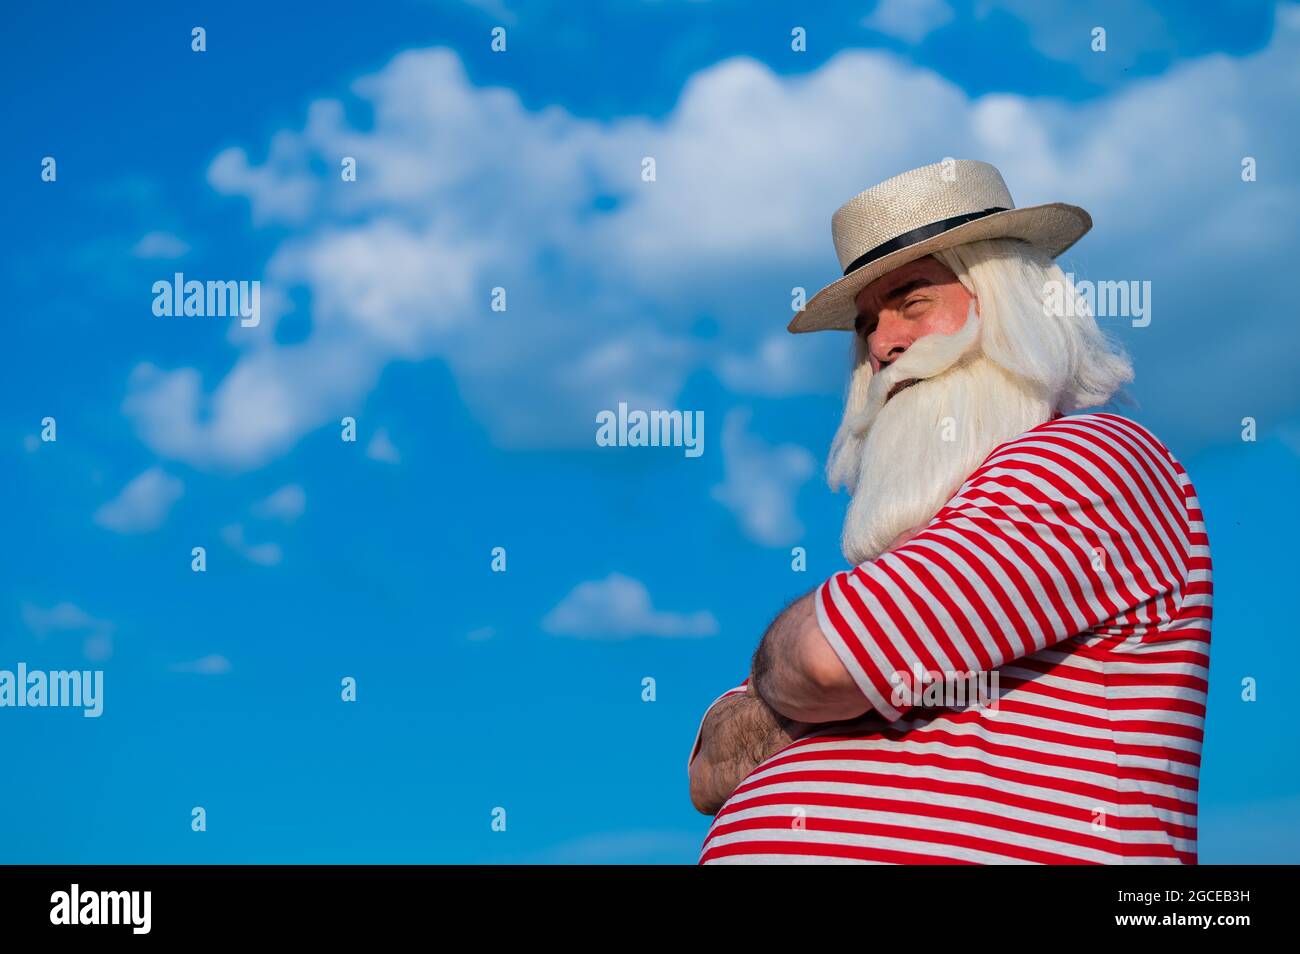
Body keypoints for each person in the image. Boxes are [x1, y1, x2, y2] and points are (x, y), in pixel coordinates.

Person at [687, 160, 1212, 864]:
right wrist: (846, 659)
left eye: (911, 302)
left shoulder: (1090, 456)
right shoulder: (931, 547)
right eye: (867, 324)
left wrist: (812, 677)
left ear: (1008, 303)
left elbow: (822, 663)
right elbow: (710, 768)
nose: (882, 344)